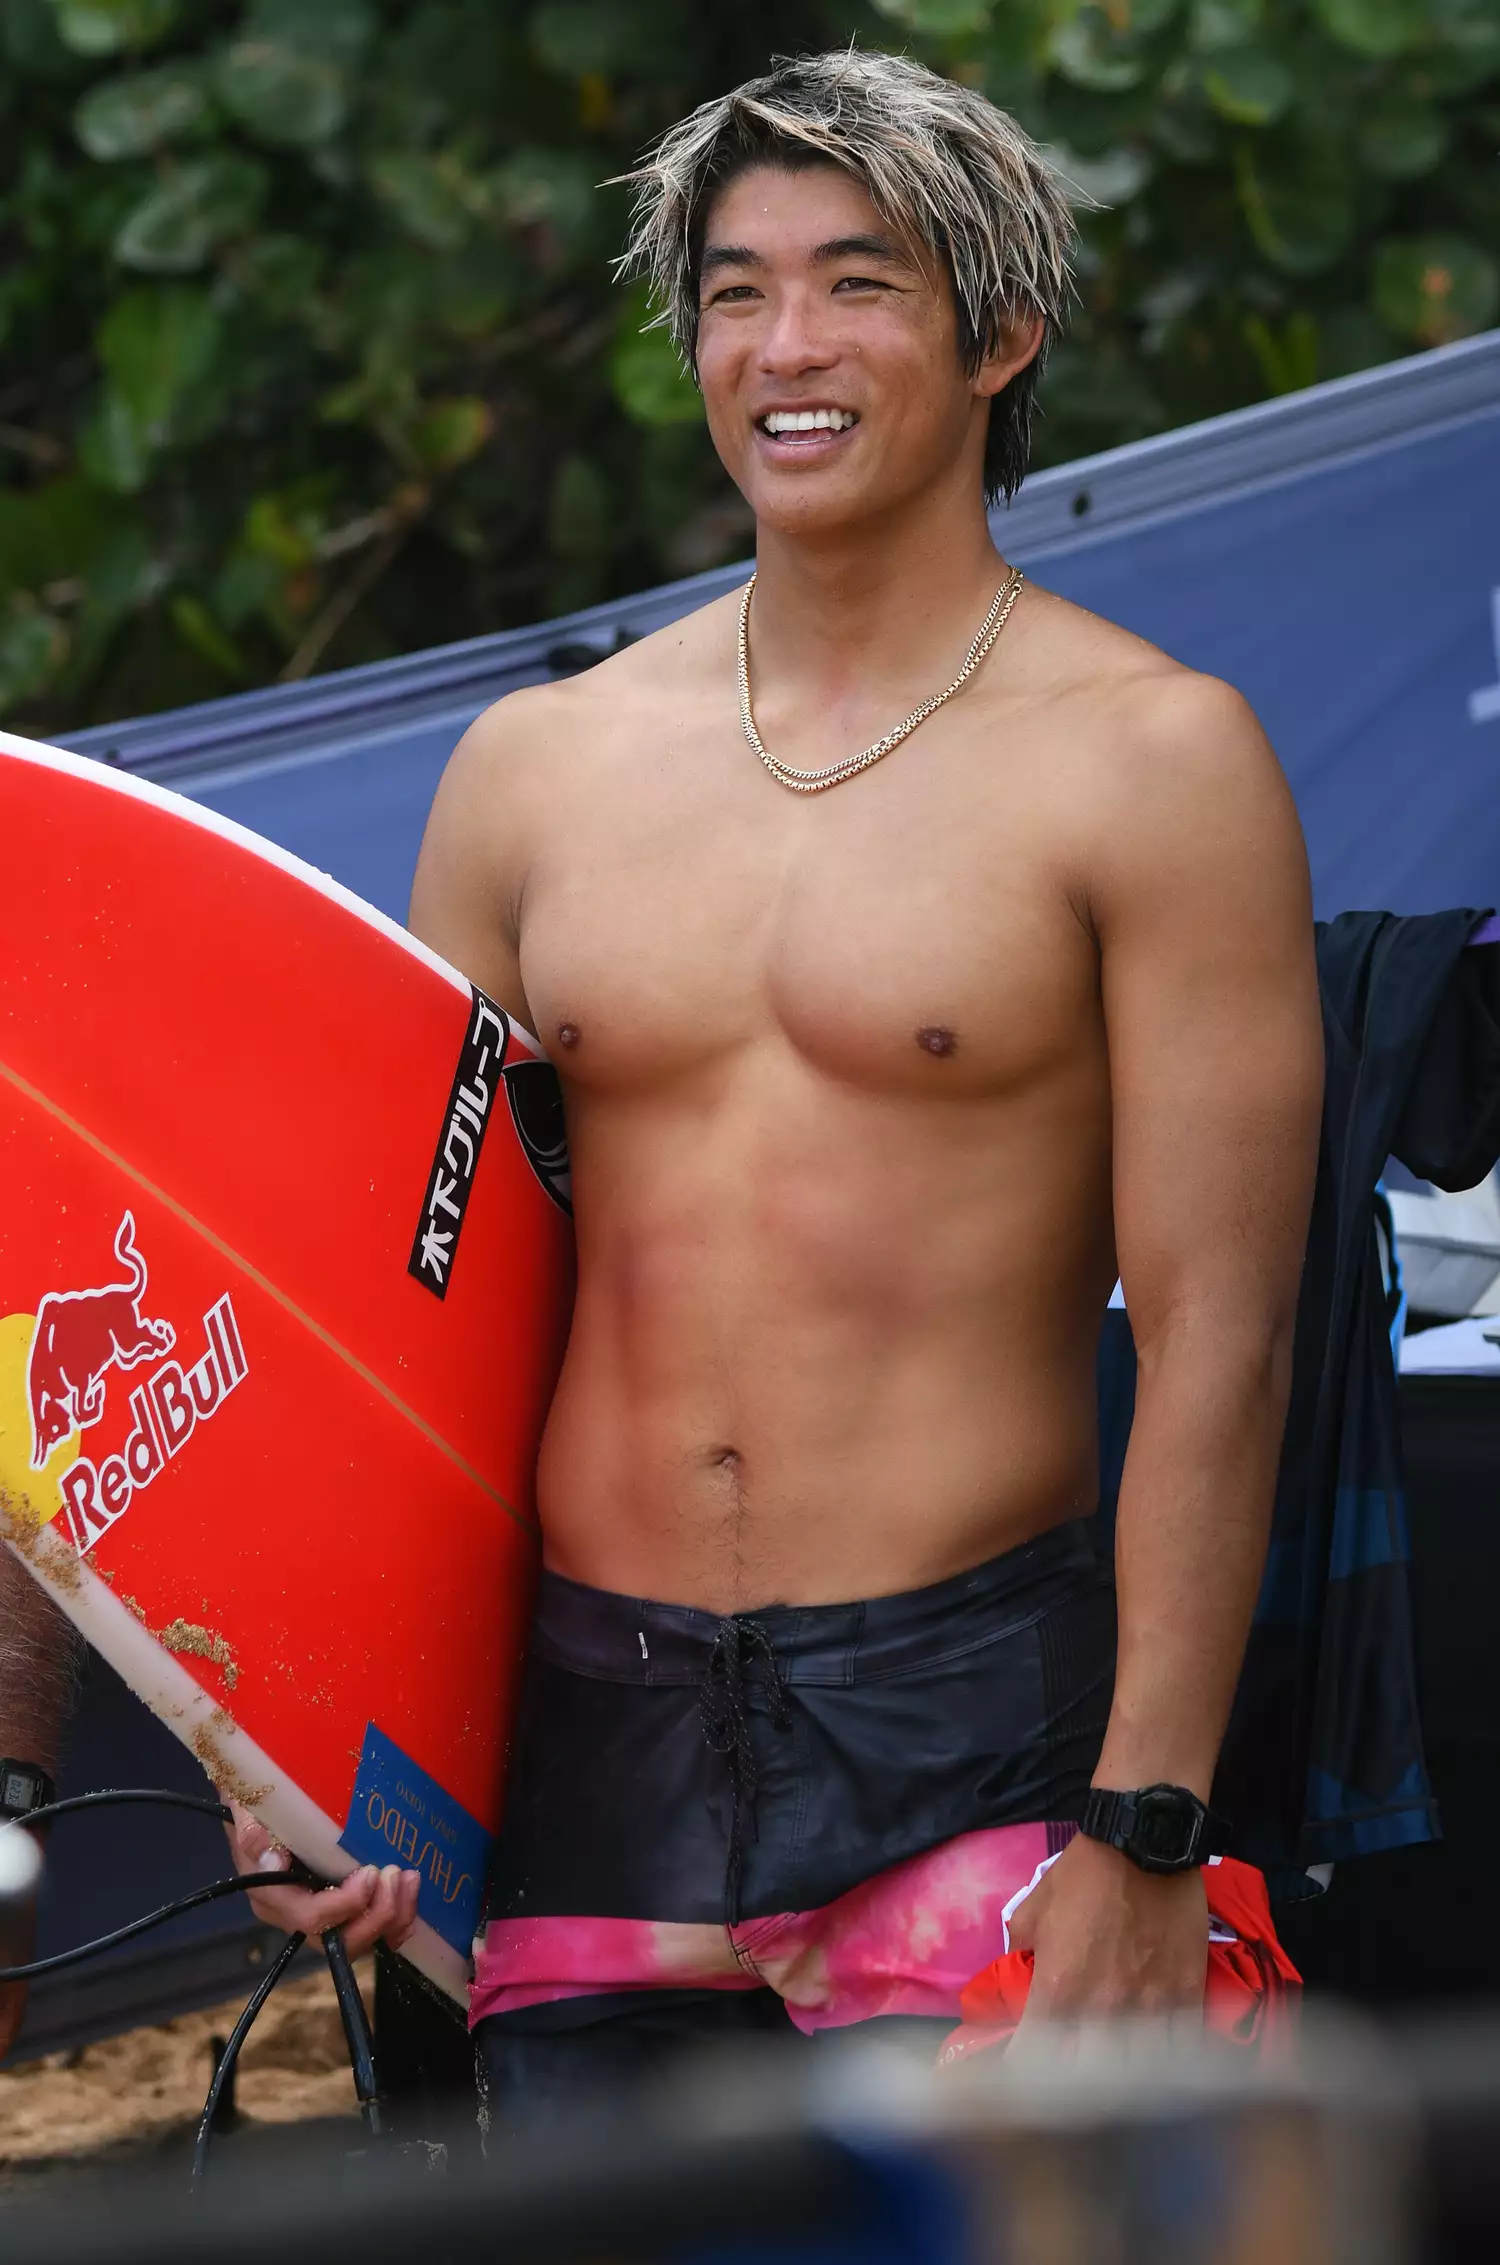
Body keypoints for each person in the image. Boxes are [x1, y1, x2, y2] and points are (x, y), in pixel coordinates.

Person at [0, 49, 1322, 2105]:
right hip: (587, 1743)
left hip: (968, 1718)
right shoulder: (540, 772)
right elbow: (404, 1323)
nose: (784, 346)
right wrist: (319, 1752)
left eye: (859, 282)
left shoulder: (1155, 767)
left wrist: (1149, 1821)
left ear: (1002, 335)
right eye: (733, 290)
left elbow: (1228, 1341)